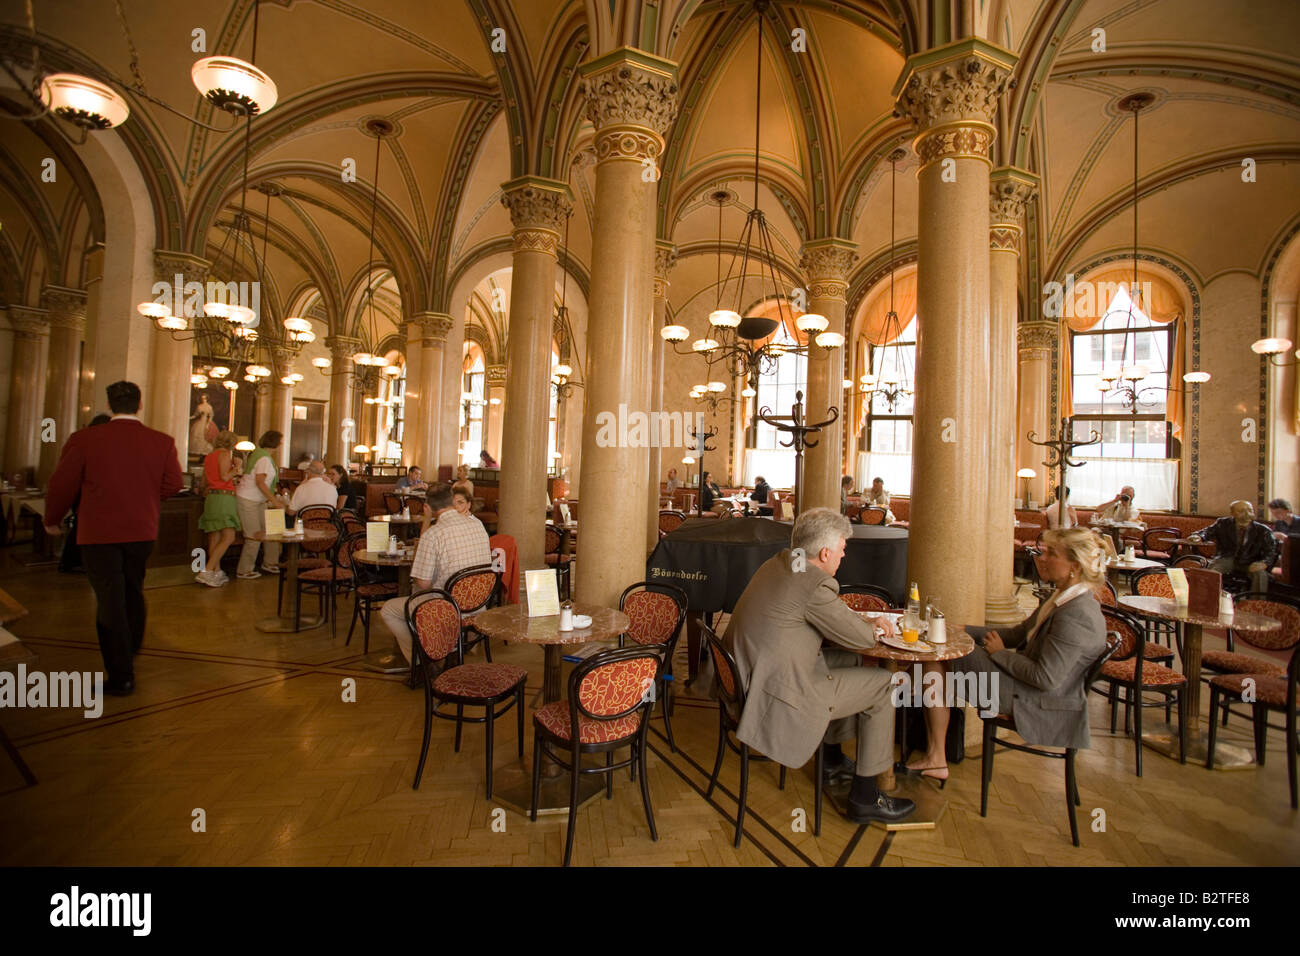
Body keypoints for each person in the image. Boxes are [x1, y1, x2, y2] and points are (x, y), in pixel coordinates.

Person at [725, 508, 914, 823]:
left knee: (855, 662)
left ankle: (832, 758)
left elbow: (832, 620)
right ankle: (866, 798)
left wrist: (864, 622)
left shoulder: (783, 563)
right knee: (884, 685)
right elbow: (861, 639)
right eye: (841, 550)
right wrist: (875, 626)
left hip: (751, 676)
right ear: (825, 553)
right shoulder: (816, 585)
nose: (843, 556)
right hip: (773, 693)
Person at [902, 527, 1109, 783]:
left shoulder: (1077, 616)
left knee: (937, 651)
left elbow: (1045, 678)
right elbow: (1019, 633)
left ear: (1074, 567)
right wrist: (965, 629)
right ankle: (936, 758)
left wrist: (1000, 654)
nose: (1041, 558)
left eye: (1051, 554)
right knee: (935, 658)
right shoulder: (1061, 597)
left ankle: (935, 754)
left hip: (1032, 699)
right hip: (1022, 684)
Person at [45, 381, 183, 695]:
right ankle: (131, 648)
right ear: (140, 404)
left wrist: (52, 519)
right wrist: (144, 499)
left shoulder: (85, 439)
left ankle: (121, 676)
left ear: (109, 406)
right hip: (142, 530)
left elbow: (62, 484)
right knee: (133, 589)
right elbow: (173, 483)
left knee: (109, 599)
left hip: (99, 532)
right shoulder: (161, 441)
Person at [378, 483, 491, 664]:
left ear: (428, 507)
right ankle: (441, 647)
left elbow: (422, 583)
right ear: (452, 501)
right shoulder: (478, 525)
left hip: (447, 606)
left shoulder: (433, 534)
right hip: (478, 603)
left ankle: (421, 661)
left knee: (389, 610)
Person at [57, 414, 113, 574]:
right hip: (85, 492)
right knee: (81, 528)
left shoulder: (86, 444)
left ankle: (73, 562)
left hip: (86, 493)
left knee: (81, 527)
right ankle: (72, 562)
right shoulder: (88, 445)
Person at [235, 430, 285, 579]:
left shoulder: (260, 454)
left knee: (272, 530)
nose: (282, 444)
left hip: (259, 500)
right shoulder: (263, 458)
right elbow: (260, 482)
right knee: (254, 535)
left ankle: (271, 562)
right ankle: (244, 570)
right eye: (280, 441)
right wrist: (275, 502)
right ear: (275, 442)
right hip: (249, 499)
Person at [1201, 500, 1277, 594]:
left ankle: (1256, 603)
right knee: (1212, 573)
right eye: (1242, 511)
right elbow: (1206, 532)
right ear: (1232, 513)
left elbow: (1271, 551)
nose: (1247, 514)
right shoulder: (1223, 523)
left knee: (1261, 575)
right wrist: (1198, 536)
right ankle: (1210, 599)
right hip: (1226, 559)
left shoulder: (1263, 530)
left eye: (1250, 510)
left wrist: (1264, 563)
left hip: (1251, 561)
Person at [197, 430, 242, 586]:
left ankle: (216, 572)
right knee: (229, 536)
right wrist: (237, 467)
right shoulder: (224, 455)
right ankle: (207, 570)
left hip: (211, 497)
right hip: (224, 497)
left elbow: (203, 482)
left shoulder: (209, 457)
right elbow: (224, 477)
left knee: (214, 538)